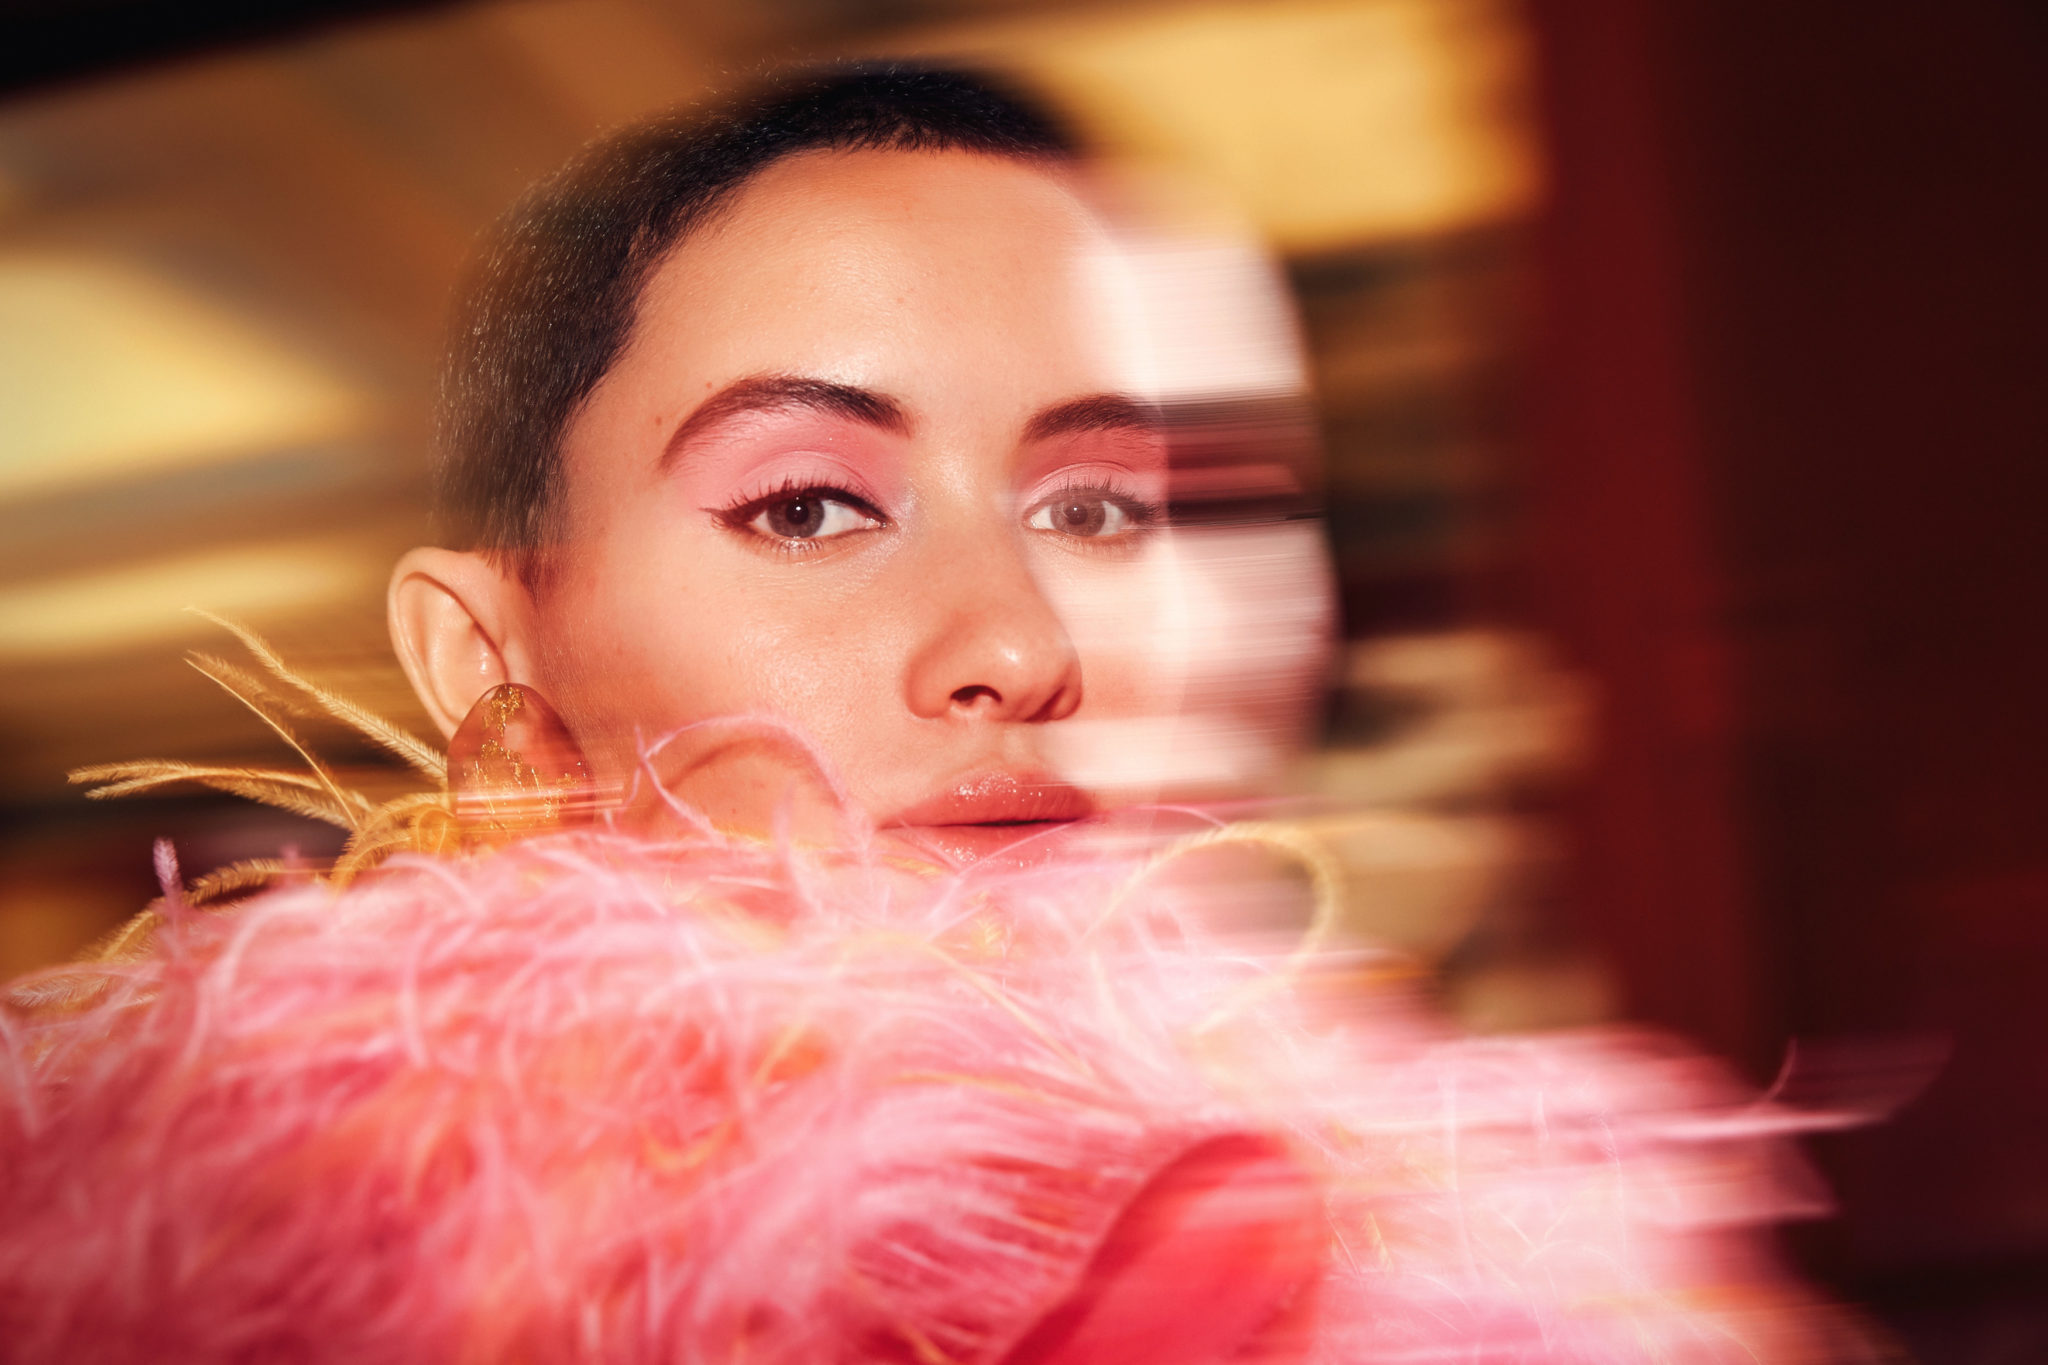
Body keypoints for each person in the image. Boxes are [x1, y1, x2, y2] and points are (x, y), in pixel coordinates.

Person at [0, 65, 1870, 1365]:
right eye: (810, 506)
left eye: (1105, 509)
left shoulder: (1518, 1260)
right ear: (491, 655)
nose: (1017, 642)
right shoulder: (220, 1272)